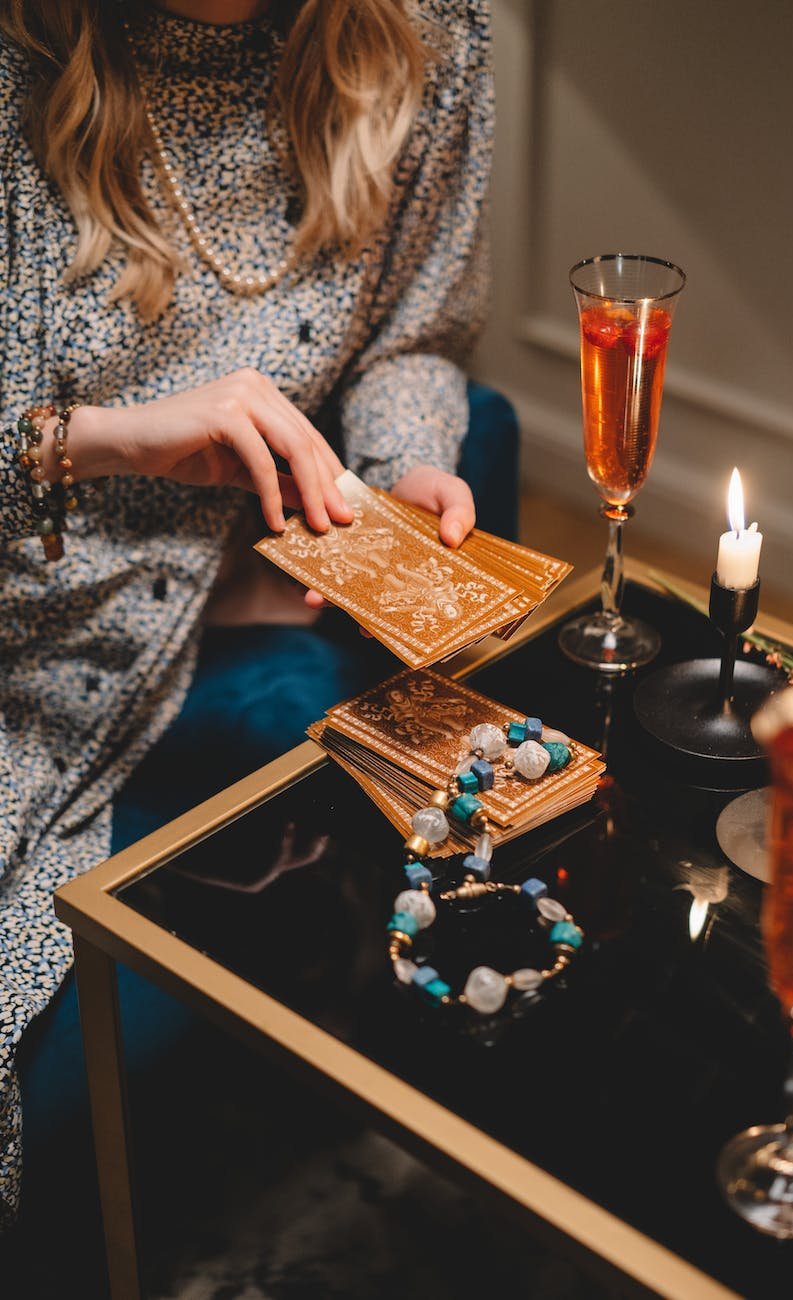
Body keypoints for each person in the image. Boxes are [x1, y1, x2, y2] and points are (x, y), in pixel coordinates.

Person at [0, 0, 493, 1232]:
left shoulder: (436, 38)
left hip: (206, 619)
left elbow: (416, 338)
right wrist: (108, 441)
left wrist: (402, 460)